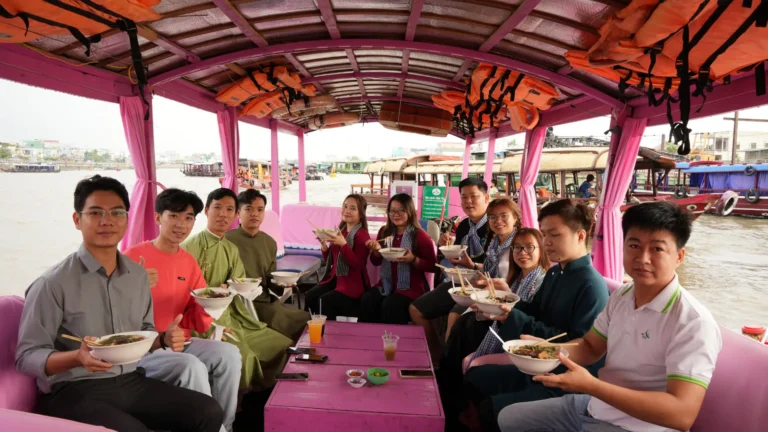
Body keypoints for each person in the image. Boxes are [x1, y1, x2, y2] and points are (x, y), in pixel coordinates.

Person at [15, 175, 223, 432]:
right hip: (72, 389)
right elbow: (26, 356)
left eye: (116, 212)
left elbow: (144, 335)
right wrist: (77, 357)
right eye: (95, 212)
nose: (107, 221)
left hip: (129, 380)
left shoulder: (137, 277)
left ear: (127, 218)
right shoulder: (52, 283)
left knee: (208, 412)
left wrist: (164, 339)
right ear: (77, 220)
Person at [498, 201, 722, 432]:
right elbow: (590, 347)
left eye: (656, 249)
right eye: (634, 245)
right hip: (596, 405)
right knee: (508, 418)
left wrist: (592, 386)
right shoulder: (623, 295)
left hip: (638, 426)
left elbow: (681, 414)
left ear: (679, 256)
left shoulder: (693, 322)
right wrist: (544, 350)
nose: (642, 258)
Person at [462, 199, 609, 432]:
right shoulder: (554, 273)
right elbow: (534, 311)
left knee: (491, 409)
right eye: (544, 235)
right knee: (475, 377)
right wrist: (502, 306)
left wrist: (513, 317)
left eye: (555, 235)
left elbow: (578, 346)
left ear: (580, 236)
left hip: (560, 377)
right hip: (535, 364)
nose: (547, 243)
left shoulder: (591, 286)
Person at [123, 188, 241, 432]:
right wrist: (134, 286)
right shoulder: (133, 257)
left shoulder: (188, 261)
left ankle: (225, 425)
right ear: (158, 217)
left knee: (229, 354)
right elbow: (113, 312)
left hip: (180, 341)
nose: (181, 225)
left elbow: (196, 317)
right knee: (191, 366)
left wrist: (214, 302)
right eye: (174, 216)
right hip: (143, 348)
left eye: (188, 218)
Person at [438, 228, 551, 428]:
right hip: (503, 325)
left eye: (529, 247)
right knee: (465, 324)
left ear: (541, 249)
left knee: (468, 328)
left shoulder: (542, 279)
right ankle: (449, 389)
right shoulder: (518, 277)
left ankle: (452, 394)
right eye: (517, 248)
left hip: (519, 337)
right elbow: (502, 303)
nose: (522, 252)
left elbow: (530, 315)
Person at [182, 188, 292, 390]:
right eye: (217, 208)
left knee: (284, 346)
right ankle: (236, 411)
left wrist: (248, 287)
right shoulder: (189, 247)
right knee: (246, 357)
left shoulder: (231, 249)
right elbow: (181, 294)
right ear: (206, 211)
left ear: (234, 215)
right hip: (204, 322)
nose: (223, 214)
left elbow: (238, 282)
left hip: (236, 316)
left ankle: (265, 395)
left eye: (229, 210)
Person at [410, 177, 491, 361]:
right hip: (461, 282)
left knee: (454, 316)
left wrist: (471, 265)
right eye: (464, 197)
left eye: (474, 196)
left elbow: (498, 266)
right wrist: (448, 250)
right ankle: (436, 356)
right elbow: (459, 261)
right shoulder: (463, 226)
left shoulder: (494, 226)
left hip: (485, 287)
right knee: (416, 309)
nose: (468, 202)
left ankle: (448, 364)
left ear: (486, 198)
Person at [225, 189, 310, 339]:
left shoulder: (269, 242)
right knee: (288, 328)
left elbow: (270, 278)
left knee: (307, 319)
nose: (255, 214)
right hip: (241, 302)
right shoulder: (226, 240)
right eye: (249, 209)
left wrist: (283, 284)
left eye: (260, 210)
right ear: (238, 213)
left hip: (266, 299)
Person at [361, 193, 437, 324]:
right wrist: (376, 251)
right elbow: (375, 262)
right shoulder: (384, 232)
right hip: (386, 284)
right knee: (368, 298)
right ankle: (369, 340)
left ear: (410, 211)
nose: (396, 214)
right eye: (392, 210)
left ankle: (393, 342)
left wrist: (413, 259)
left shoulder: (419, 236)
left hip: (411, 289)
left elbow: (433, 266)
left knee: (391, 305)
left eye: (401, 210)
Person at [304, 194, 371, 320]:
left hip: (352, 283)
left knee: (324, 300)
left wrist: (344, 245)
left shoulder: (362, 235)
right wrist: (323, 244)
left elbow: (358, 265)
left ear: (361, 213)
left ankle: (328, 334)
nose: (347, 211)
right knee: (310, 296)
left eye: (352, 208)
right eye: (345, 206)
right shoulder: (342, 231)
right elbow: (331, 258)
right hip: (335, 279)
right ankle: (311, 330)